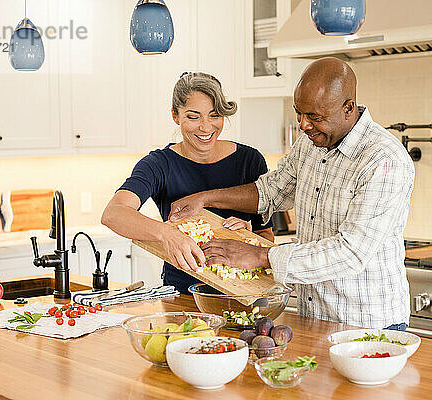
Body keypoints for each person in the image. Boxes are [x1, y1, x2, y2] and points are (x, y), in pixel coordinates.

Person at [168, 58, 415, 330]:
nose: (304, 126)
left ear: (348, 108)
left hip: (366, 324)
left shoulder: (383, 159)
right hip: (314, 316)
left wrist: (259, 256)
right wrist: (205, 198)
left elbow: (350, 252)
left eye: (315, 117)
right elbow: (270, 191)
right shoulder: (311, 144)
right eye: (300, 114)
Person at [101, 72, 273, 294]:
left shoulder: (250, 161)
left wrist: (248, 237)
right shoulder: (158, 164)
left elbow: (267, 238)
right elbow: (113, 214)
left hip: (246, 293)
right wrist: (167, 234)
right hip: (183, 293)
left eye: (214, 115)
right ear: (175, 116)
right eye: (193, 117)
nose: (205, 127)